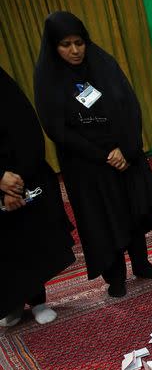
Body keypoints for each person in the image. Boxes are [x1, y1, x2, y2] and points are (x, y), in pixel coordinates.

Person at [33, 12, 152, 298]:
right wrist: (103, 155)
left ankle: (142, 265)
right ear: (53, 47)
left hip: (124, 156)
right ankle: (116, 277)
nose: (74, 50)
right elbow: (56, 129)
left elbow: (130, 105)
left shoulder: (102, 63)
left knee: (132, 209)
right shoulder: (48, 77)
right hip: (87, 165)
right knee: (103, 219)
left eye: (79, 42)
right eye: (66, 45)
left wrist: (126, 150)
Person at [0, 68, 75, 327]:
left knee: (29, 241)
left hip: (23, 179)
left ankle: (38, 300)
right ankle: (12, 304)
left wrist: (14, 185)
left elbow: (26, 135)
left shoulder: (4, 89)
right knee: (4, 250)